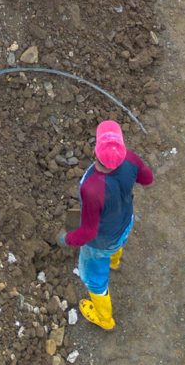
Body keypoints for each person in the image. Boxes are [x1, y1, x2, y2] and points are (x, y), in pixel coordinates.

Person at [57, 120, 154, 331]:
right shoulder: (131, 160)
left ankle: (104, 318)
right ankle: (115, 261)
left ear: (95, 151)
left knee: (94, 280)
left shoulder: (92, 188)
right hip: (124, 222)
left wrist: (68, 239)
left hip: (101, 241)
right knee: (117, 243)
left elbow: (89, 231)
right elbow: (147, 179)